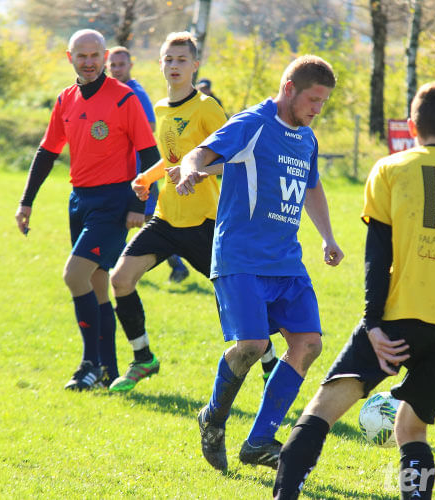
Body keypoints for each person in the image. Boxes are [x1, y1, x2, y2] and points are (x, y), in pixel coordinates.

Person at [272, 81, 435, 500]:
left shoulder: (391, 168)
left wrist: (373, 323)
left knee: (320, 411)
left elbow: (377, 257)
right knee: (411, 429)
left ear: (412, 126)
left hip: (397, 318)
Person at [176, 55, 344, 472]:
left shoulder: (307, 138)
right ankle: (213, 418)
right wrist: (189, 171)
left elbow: (312, 187)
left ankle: (259, 440)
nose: (316, 109)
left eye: (323, 103)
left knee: (308, 345)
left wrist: (328, 236)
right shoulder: (253, 122)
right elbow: (200, 153)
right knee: (251, 345)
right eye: (312, 100)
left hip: (286, 261)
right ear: (289, 87)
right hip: (241, 258)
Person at [108, 32, 278, 393]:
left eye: (181, 60)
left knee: (235, 301)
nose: (174, 66)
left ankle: (270, 366)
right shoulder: (161, 108)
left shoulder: (207, 107)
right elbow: (171, 158)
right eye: (168, 59)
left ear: (195, 65)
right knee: (120, 279)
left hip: (205, 223)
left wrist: (199, 172)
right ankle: (143, 359)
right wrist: (147, 176)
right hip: (166, 219)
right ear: (159, 64)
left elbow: (238, 157)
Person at [14, 29, 160, 390]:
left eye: (96, 55)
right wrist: (26, 200)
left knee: (74, 275)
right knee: (96, 286)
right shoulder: (66, 100)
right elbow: (47, 152)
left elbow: (150, 155)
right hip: (79, 200)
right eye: (82, 56)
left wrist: (138, 204)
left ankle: (88, 364)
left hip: (114, 202)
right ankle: (107, 370)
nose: (90, 62)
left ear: (106, 56)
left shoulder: (125, 99)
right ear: (70, 58)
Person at [107, 45, 190, 283]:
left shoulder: (135, 93)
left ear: (130, 66)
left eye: (121, 64)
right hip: (120, 171)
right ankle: (119, 265)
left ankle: (176, 264)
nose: (116, 69)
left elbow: (151, 126)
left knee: (149, 222)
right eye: (112, 65)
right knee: (128, 220)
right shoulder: (113, 91)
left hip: (139, 170)